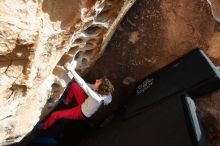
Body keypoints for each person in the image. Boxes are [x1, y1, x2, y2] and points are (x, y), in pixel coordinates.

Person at [41, 67, 114, 130]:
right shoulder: (107, 94)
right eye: (98, 80)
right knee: (74, 85)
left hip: (81, 113)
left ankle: (43, 127)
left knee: (55, 115)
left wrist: (71, 70)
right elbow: (87, 85)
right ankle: (67, 102)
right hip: (85, 103)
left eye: (98, 82)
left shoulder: (96, 98)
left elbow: (83, 85)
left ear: (100, 88)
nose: (96, 80)